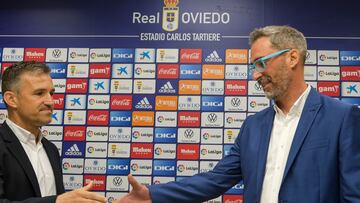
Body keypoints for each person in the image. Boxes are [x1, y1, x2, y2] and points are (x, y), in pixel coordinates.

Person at [115, 25, 360, 203]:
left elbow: (353, 195)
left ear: (292, 57)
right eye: (253, 67)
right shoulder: (253, 126)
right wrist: (152, 194)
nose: (255, 75)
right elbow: (215, 180)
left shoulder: (342, 117)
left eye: (261, 63)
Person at [0, 61, 107, 203]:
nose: (50, 101)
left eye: (51, 93)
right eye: (39, 93)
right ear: (12, 99)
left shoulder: (50, 149)